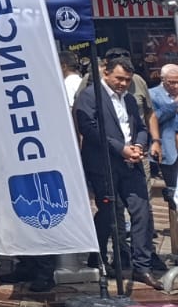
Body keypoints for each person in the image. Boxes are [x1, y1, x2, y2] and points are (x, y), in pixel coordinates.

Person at [75, 56, 164, 286]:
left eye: (127, 80)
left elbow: (141, 126)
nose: (123, 84)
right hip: (104, 162)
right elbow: (89, 128)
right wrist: (120, 148)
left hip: (130, 161)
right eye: (119, 79)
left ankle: (141, 265)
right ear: (106, 73)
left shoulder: (130, 99)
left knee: (141, 210)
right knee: (108, 211)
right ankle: (99, 255)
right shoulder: (91, 95)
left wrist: (139, 145)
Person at [151, 64, 178, 259]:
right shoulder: (154, 95)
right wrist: (174, 105)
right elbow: (154, 119)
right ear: (163, 80)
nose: (176, 86)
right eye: (172, 82)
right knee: (173, 196)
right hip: (170, 151)